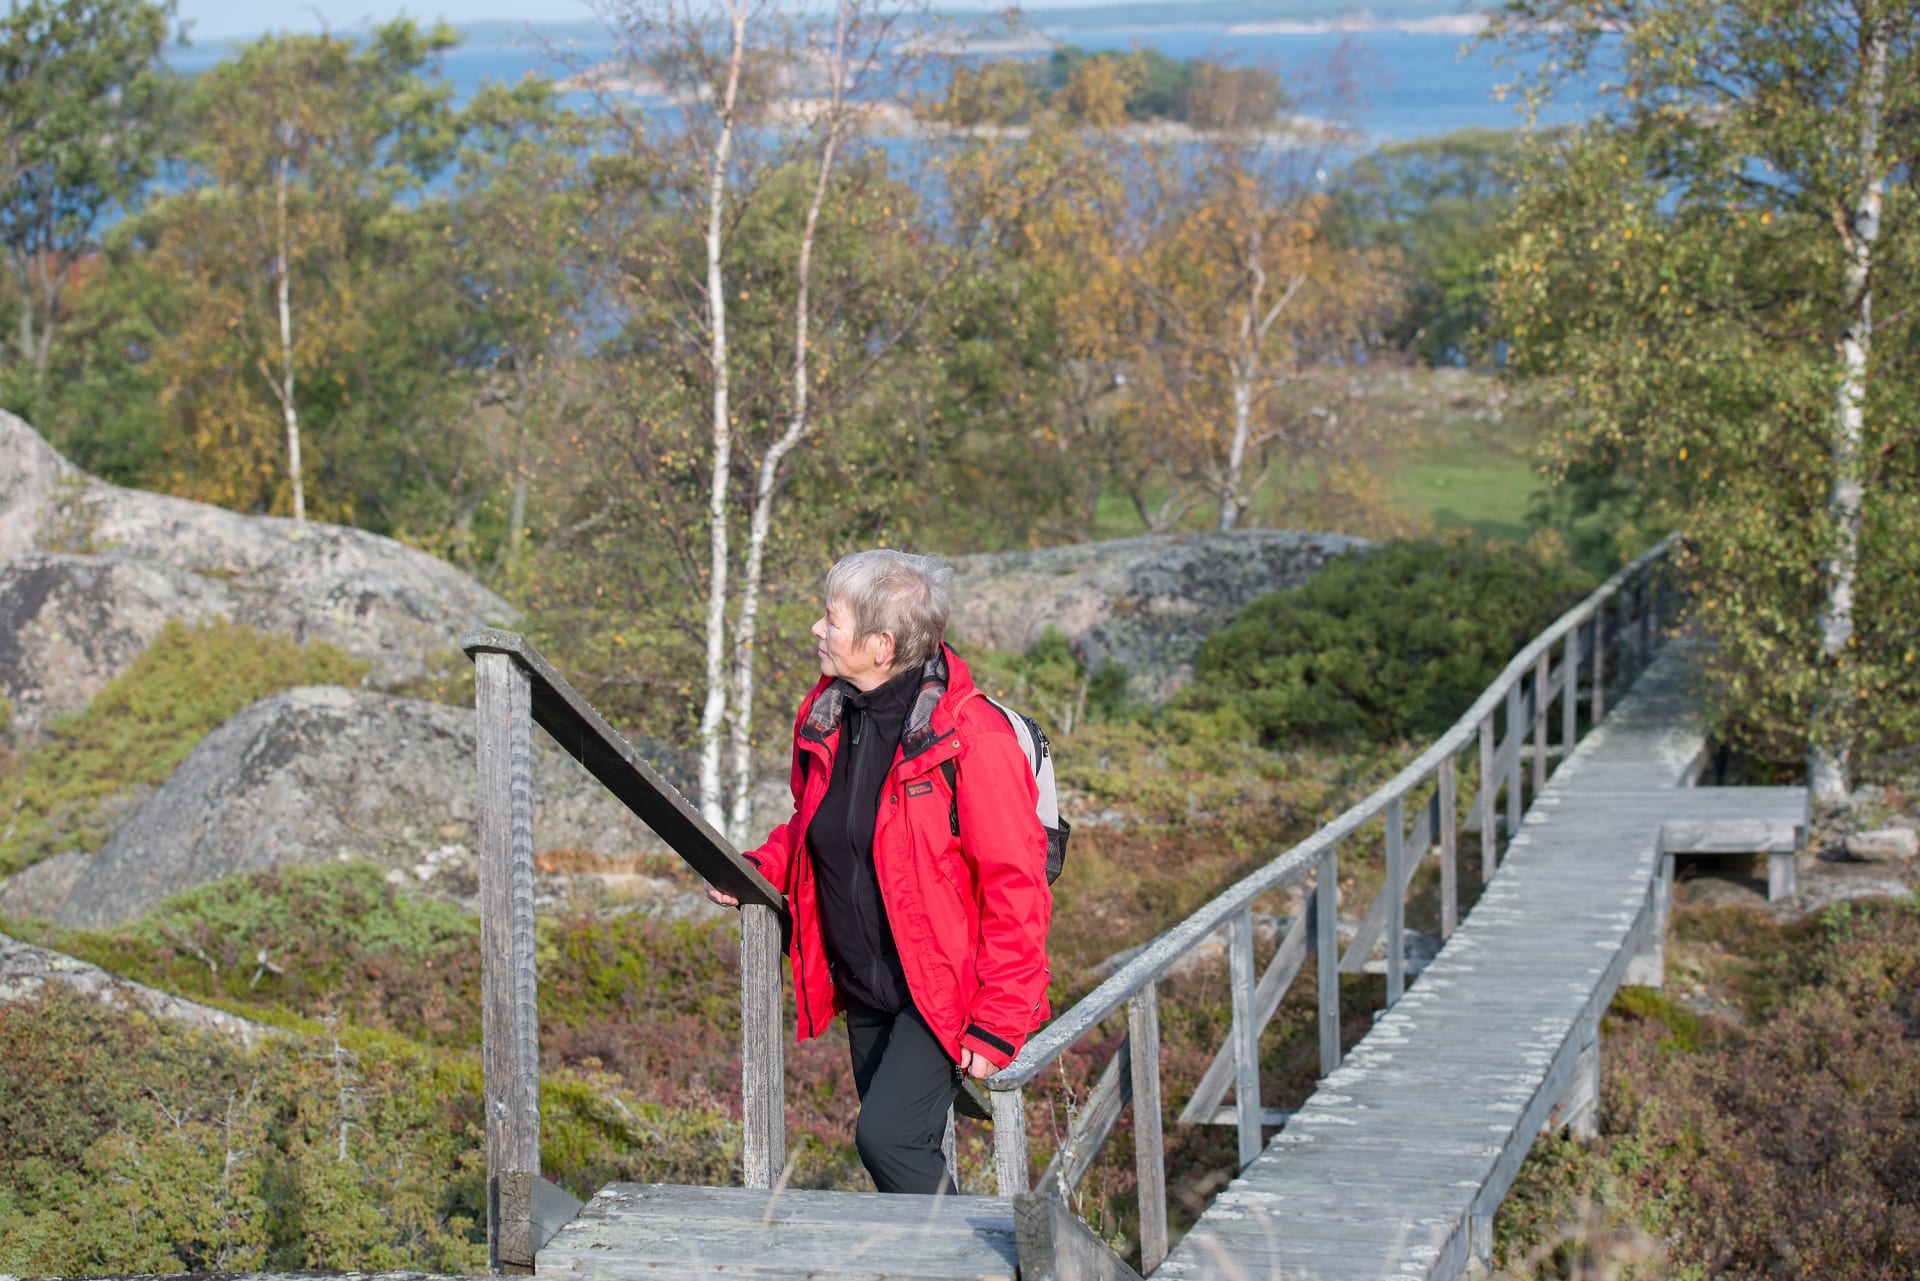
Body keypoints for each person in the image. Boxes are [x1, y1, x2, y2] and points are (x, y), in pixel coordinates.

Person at [706, 549, 1052, 1195]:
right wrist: (759, 866)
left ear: (881, 642)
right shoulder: (830, 714)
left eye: (830, 619)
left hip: (942, 988)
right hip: (864, 981)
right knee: (902, 1150)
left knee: (888, 1137)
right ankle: (954, 1261)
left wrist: (1001, 1015)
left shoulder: (971, 737)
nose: (816, 629)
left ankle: (976, 1265)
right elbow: (817, 821)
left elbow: (1017, 883)